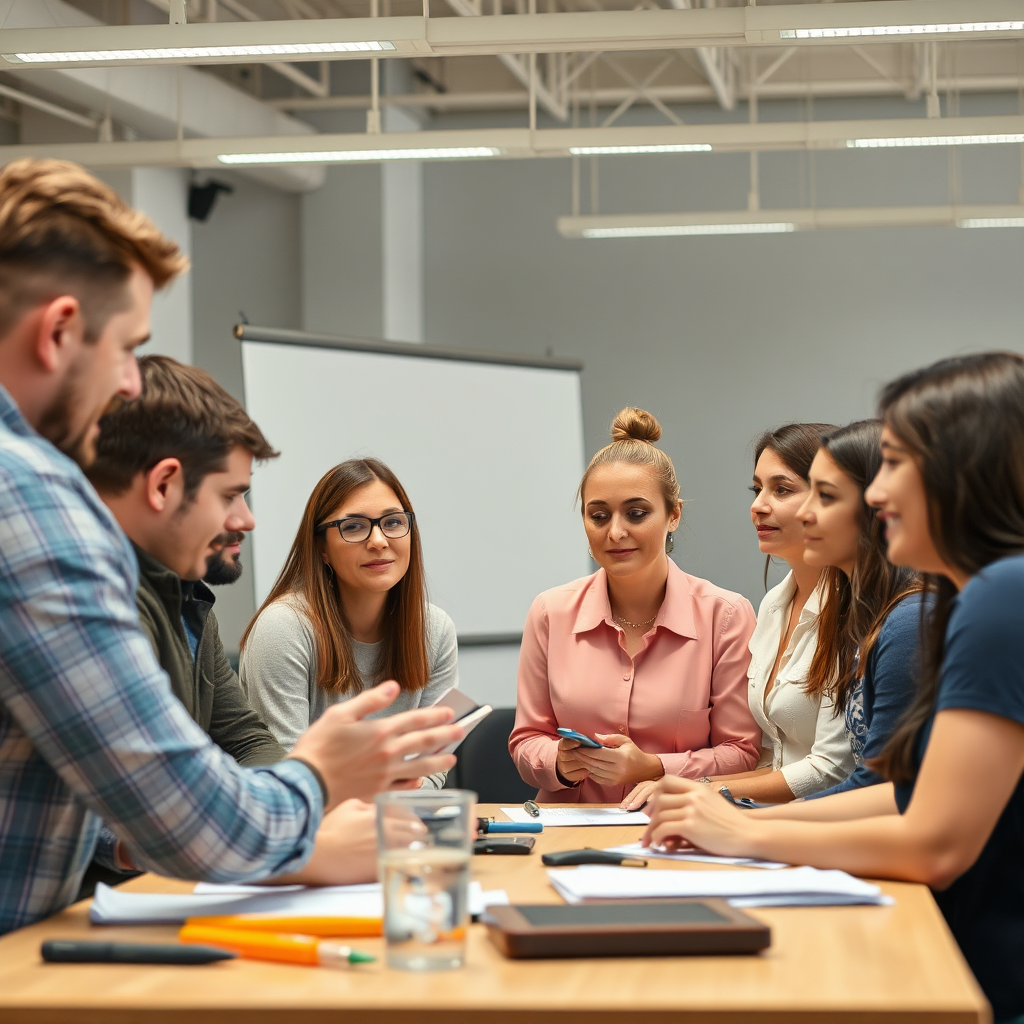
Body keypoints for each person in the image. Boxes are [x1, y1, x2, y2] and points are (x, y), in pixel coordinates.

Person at [0, 157, 461, 935]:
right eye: (125, 348)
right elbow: (186, 819)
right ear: (58, 332)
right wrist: (319, 775)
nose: (126, 385)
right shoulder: (32, 499)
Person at [642, 352, 1024, 1023]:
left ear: (963, 468)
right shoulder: (979, 598)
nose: (876, 494)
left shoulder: (997, 600)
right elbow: (907, 795)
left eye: (897, 463)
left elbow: (933, 843)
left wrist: (745, 834)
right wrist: (732, 821)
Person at [509, 407, 760, 805]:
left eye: (637, 513)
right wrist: (556, 760)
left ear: (673, 514)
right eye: (598, 515)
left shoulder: (725, 616)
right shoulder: (549, 612)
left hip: (678, 824)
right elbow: (526, 740)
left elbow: (743, 754)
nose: (615, 532)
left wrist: (655, 767)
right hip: (569, 829)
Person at [88, 355, 284, 770]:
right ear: (163, 485)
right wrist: (317, 782)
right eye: (229, 495)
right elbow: (166, 792)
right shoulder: (103, 600)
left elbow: (246, 740)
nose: (246, 520)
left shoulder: (186, 598)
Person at [240, 458, 459, 789]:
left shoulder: (436, 630)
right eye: (354, 526)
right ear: (322, 549)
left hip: (401, 826)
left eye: (393, 522)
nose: (379, 540)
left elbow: (429, 769)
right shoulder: (283, 628)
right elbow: (284, 772)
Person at [799, 421, 925, 799]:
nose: (804, 512)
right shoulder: (867, 615)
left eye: (826, 496)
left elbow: (884, 786)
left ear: (880, 507)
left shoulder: (910, 621)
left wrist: (746, 821)